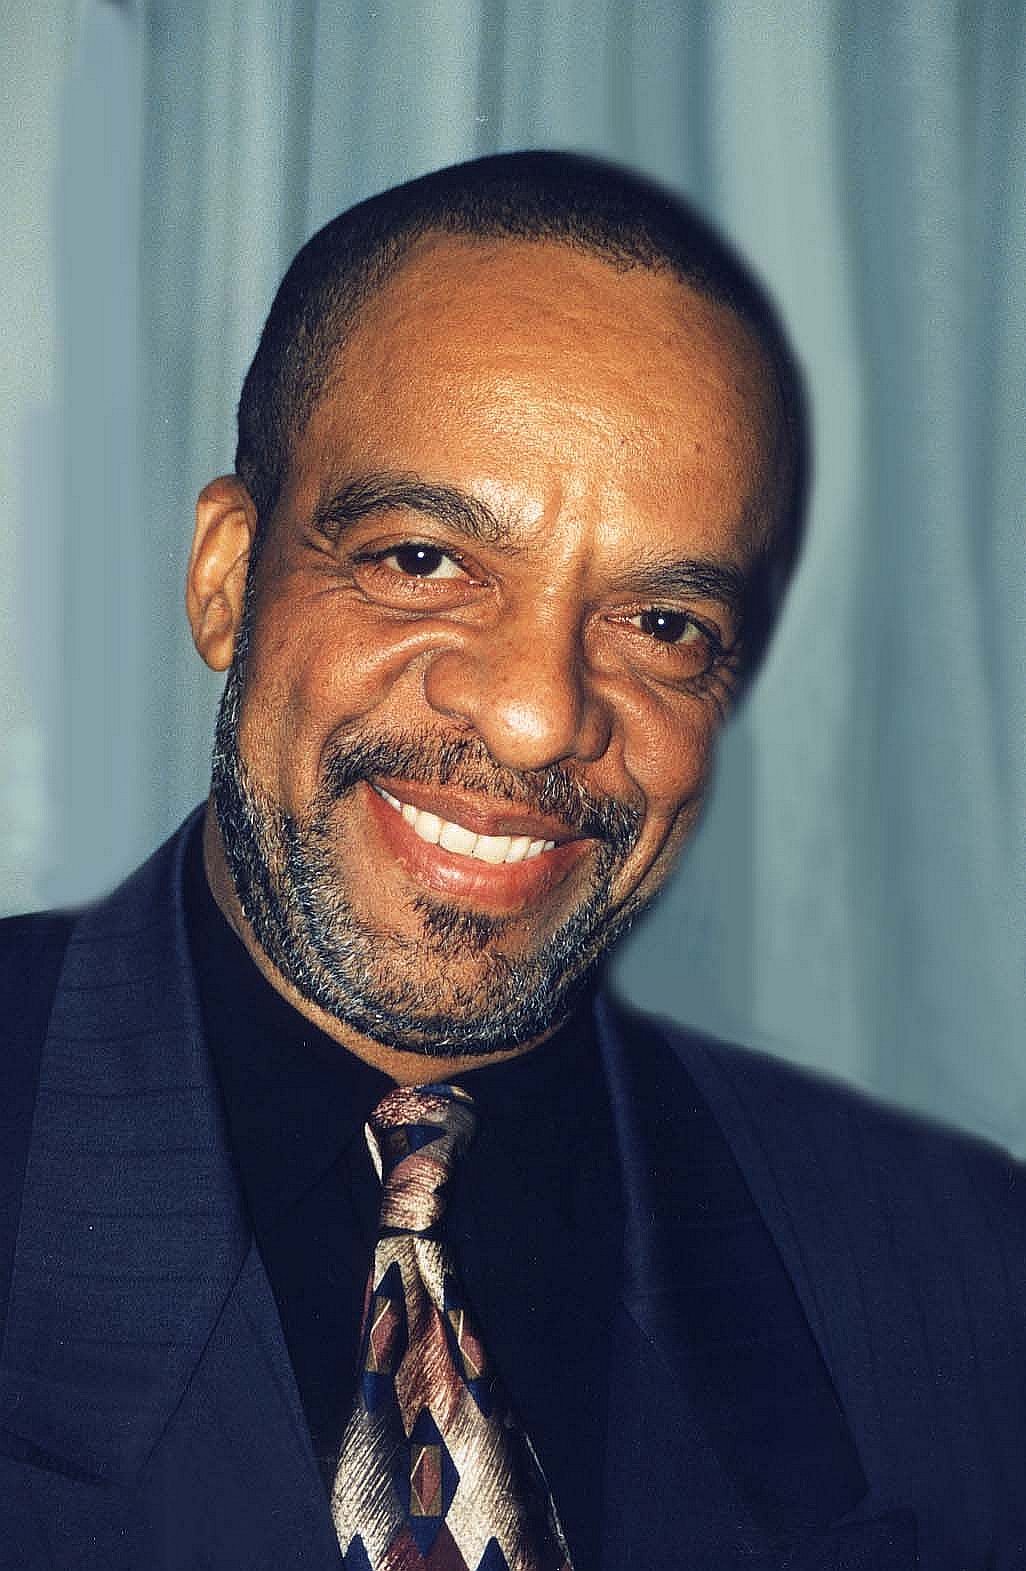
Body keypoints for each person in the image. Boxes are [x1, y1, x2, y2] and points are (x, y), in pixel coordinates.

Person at [0, 151, 1022, 1570]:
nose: (539, 716)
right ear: (227, 578)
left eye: (662, 625)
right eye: (424, 560)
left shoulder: (967, 1280)